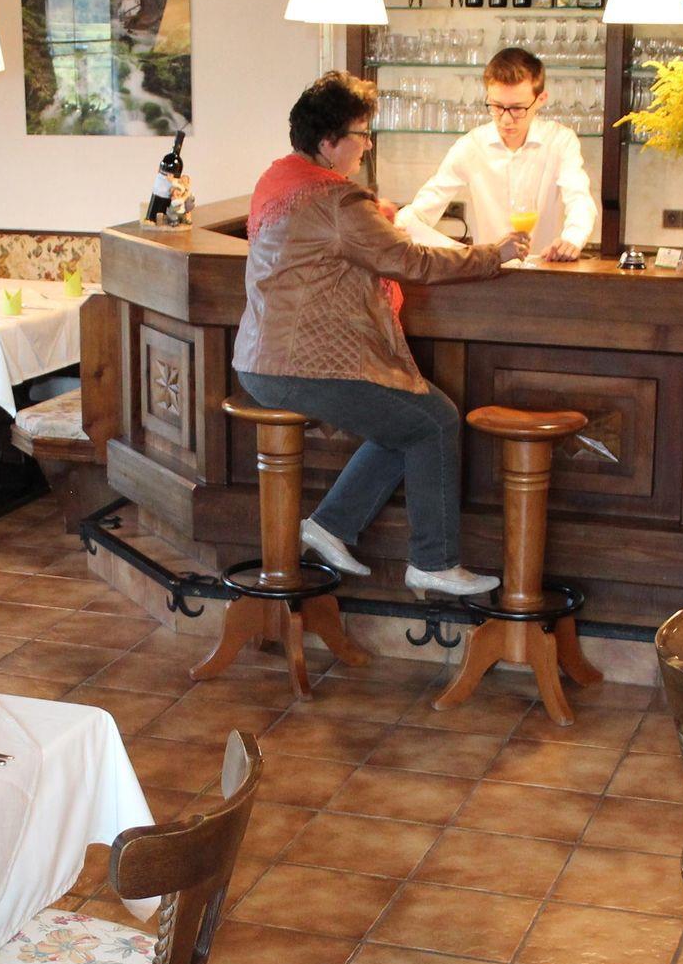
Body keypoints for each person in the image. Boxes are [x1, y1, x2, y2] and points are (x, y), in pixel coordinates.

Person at [234, 72, 526, 598]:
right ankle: (433, 562)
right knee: (434, 421)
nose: (367, 145)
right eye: (360, 134)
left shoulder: (279, 179)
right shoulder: (337, 200)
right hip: (305, 365)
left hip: (261, 361)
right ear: (329, 143)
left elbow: (339, 243)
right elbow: (410, 261)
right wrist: (492, 255)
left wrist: (375, 219)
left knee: (409, 421)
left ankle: (331, 525)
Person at [394, 47, 596, 262]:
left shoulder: (560, 141)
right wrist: (398, 224)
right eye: (497, 107)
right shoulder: (472, 146)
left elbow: (579, 198)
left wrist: (572, 239)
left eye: (517, 109)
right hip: (488, 271)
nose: (506, 120)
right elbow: (422, 209)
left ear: (541, 99)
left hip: (545, 268)